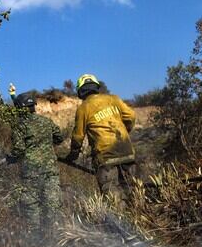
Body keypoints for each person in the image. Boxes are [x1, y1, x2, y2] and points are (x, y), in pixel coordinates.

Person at [65, 74, 137, 200]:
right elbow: (131, 117)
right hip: (126, 151)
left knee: (112, 196)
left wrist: (72, 155)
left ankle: (120, 218)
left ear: (80, 91)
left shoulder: (83, 108)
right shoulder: (113, 99)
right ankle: (139, 214)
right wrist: (125, 133)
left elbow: (78, 136)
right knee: (133, 190)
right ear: (96, 86)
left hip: (105, 157)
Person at [9, 89, 64, 237]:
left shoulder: (20, 125)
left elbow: (18, 149)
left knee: (32, 204)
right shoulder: (46, 121)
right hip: (50, 171)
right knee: (52, 202)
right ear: (33, 106)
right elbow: (59, 138)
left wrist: (11, 157)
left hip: (30, 173)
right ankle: (53, 235)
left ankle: (35, 237)